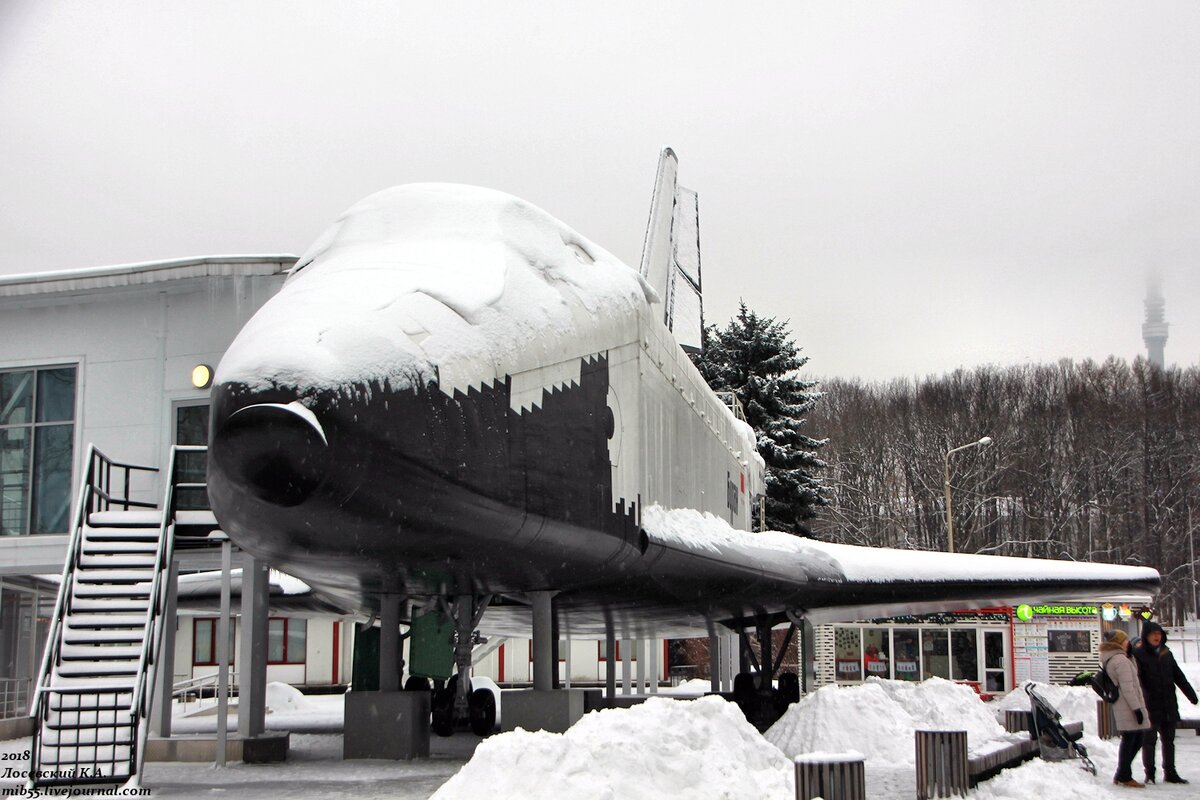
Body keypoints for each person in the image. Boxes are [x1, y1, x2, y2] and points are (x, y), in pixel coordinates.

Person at [1131, 620, 1199, 784]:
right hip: (1150, 705)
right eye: (1153, 634)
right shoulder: (1139, 654)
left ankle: (1170, 772)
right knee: (1149, 741)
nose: (1156, 637)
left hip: (1168, 704)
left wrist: (1191, 695)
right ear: (1146, 636)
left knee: (1169, 741)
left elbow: (1178, 676)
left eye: (1159, 634)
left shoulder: (1166, 653)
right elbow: (1138, 681)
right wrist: (1143, 702)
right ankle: (1150, 774)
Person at [1100, 629, 1151, 788]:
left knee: (1132, 739)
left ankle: (1122, 773)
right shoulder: (1120, 661)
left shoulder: (1114, 658)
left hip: (1123, 705)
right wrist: (1137, 709)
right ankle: (1124, 775)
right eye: (1125, 640)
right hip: (1128, 706)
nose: (1128, 642)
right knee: (1133, 740)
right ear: (1118, 643)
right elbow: (1128, 688)